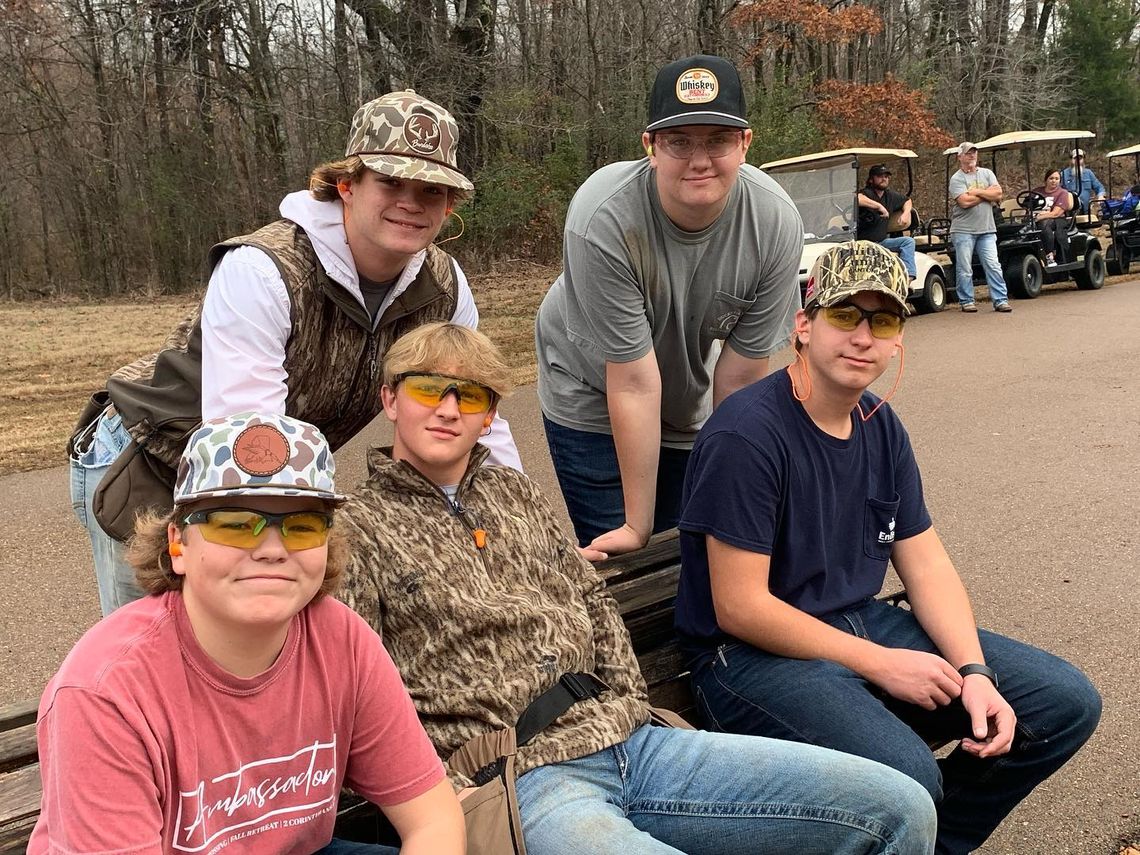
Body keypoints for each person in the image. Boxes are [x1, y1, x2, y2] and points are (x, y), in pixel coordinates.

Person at [338, 321, 937, 854]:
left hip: (635, 741)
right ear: (390, 399)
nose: (448, 409)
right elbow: (351, 680)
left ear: (489, 415)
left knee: (899, 808)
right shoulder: (353, 528)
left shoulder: (515, 494)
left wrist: (627, 702)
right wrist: (437, 795)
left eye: (469, 396)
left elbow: (594, 604)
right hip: (524, 778)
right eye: (425, 389)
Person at [674, 241, 1101, 855]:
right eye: (846, 315)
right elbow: (740, 607)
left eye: (884, 320)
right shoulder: (747, 435)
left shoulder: (879, 422)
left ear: (899, 335)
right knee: (909, 778)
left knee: (1062, 703)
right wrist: (879, 663)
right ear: (805, 323)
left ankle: (926, 844)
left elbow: (924, 561)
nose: (863, 336)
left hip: (859, 625)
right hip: (747, 659)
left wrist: (974, 672)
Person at [69, 89, 521, 617]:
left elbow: (478, 412)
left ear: (450, 205)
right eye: (391, 181)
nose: (411, 201)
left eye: (432, 189)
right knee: (159, 642)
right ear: (346, 185)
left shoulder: (445, 285)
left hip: (259, 460)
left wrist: (516, 522)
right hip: (151, 454)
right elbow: (250, 441)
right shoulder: (263, 268)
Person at [32, 412, 465, 854]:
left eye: (302, 525)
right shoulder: (105, 693)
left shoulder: (342, 639)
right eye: (235, 524)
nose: (273, 550)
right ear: (178, 543)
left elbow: (432, 818)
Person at [535, 54, 802, 556]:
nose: (699, 160)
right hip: (590, 385)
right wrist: (636, 527)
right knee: (627, 558)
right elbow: (633, 381)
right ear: (650, 147)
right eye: (679, 141)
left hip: (684, 392)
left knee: (695, 550)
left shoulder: (776, 223)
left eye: (718, 140)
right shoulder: (603, 216)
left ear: (745, 144)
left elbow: (741, 377)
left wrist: (738, 488)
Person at [947, 141, 1012, 313]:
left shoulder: (987, 173)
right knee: (965, 267)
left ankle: (1000, 300)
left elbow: (998, 193)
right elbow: (964, 202)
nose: (972, 155)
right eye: (968, 152)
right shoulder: (957, 178)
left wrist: (976, 192)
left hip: (987, 229)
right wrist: (986, 195)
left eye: (974, 152)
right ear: (959, 156)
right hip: (963, 230)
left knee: (993, 264)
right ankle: (966, 300)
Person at [857, 163, 917, 281]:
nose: (884, 178)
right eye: (880, 176)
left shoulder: (890, 196)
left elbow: (907, 200)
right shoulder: (867, 193)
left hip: (882, 242)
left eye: (886, 176)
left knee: (908, 241)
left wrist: (905, 214)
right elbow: (857, 199)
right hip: (863, 244)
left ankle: (907, 277)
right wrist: (879, 206)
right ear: (871, 179)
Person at [1030, 169, 1075, 267]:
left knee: (1044, 224)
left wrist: (1040, 217)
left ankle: (1049, 256)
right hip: (1035, 217)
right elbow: (1028, 205)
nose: (1054, 181)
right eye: (1051, 178)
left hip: (1057, 220)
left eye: (1056, 179)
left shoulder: (1062, 193)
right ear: (1046, 180)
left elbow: (1056, 213)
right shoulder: (1036, 191)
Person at [1060, 148, 1106, 214]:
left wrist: (1101, 196)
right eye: (1075, 158)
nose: (1078, 161)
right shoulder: (1063, 174)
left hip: (1086, 211)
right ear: (1071, 160)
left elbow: (1099, 188)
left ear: (1083, 159)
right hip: (1069, 211)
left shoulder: (1089, 173)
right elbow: (1058, 191)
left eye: (1080, 158)